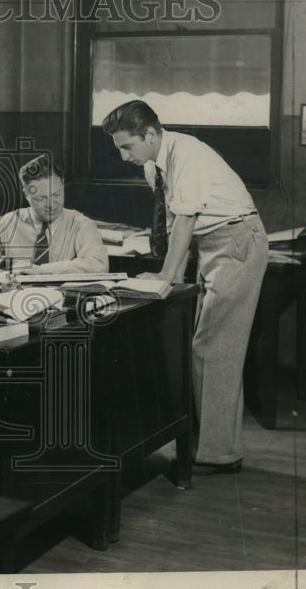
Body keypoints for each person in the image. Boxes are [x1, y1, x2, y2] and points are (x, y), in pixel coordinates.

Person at [102, 100, 268, 475]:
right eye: (118, 149)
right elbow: (176, 219)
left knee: (213, 348)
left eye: (128, 146)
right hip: (212, 246)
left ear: (151, 134)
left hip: (236, 242)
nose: (124, 156)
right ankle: (209, 445)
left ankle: (217, 455)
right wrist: (171, 276)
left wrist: (165, 277)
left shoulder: (187, 153)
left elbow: (186, 220)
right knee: (207, 347)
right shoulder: (153, 165)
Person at [0, 154, 108, 278]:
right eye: (41, 198)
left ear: (62, 185)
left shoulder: (80, 224)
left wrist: (41, 270)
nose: (51, 204)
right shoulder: (9, 223)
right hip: (13, 300)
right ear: (26, 195)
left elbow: (98, 265)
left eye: (56, 194)